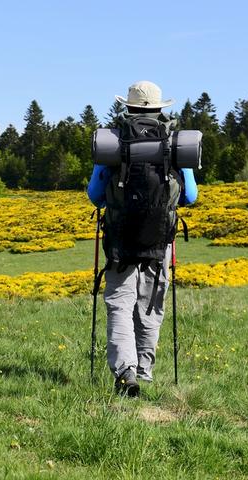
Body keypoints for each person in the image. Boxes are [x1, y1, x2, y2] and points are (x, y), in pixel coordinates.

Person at [87, 80, 198, 396]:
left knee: (120, 305)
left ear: (128, 107)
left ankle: (125, 373)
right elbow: (190, 195)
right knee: (150, 304)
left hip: (120, 241)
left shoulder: (113, 142)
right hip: (160, 240)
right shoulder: (175, 143)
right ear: (160, 109)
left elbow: (95, 195)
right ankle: (144, 371)